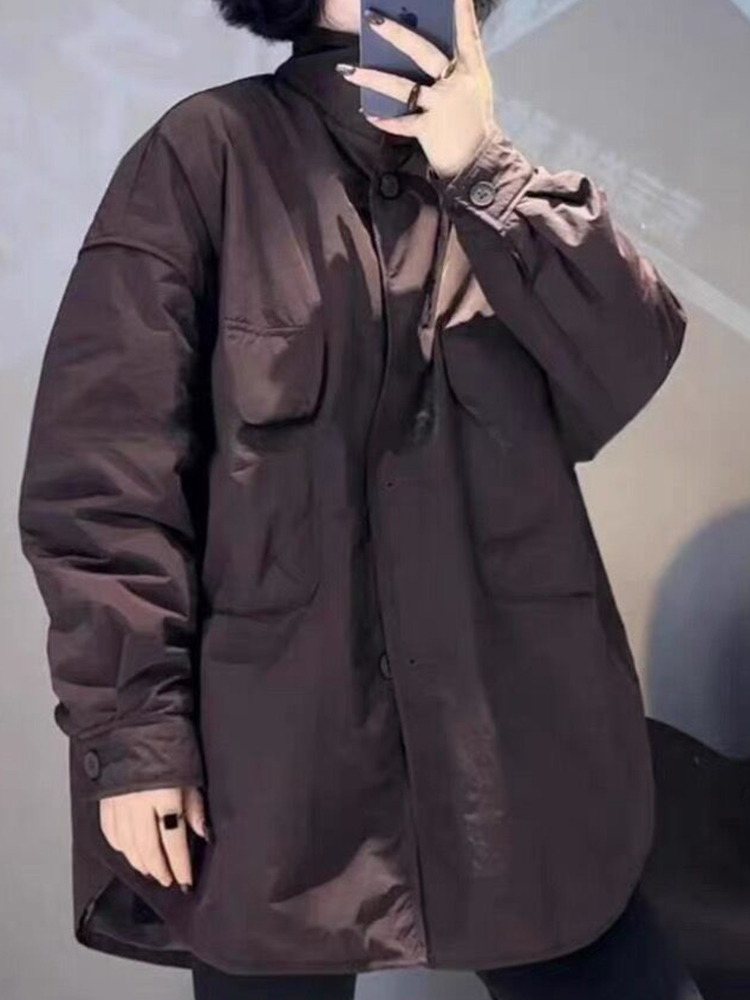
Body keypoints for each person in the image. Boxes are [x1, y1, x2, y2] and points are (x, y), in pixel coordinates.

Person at [17, 0, 702, 997]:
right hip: (273, 767)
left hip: (515, 748)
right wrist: (137, 739)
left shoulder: (499, 194)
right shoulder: (205, 155)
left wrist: (484, 169)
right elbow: (103, 478)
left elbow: (629, 360)